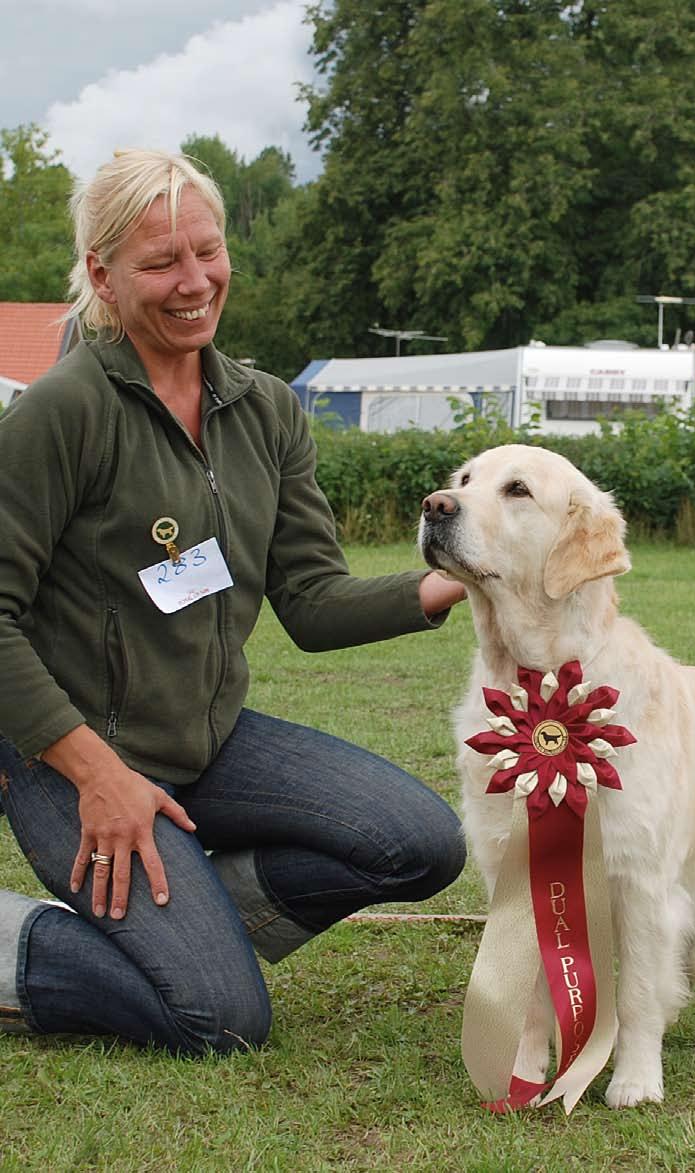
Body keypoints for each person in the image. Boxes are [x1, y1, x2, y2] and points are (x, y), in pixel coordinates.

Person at [0, 149, 466, 1053]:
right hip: (75, 761)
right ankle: (25, 945)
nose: (194, 283)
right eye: (160, 262)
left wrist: (443, 583)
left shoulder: (266, 411)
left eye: (206, 252)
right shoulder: (63, 411)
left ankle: (191, 929)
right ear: (101, 273)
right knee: (219, 1019)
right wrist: (99, 776)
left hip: (207, 742)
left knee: (422, 843)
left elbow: (311, 599)